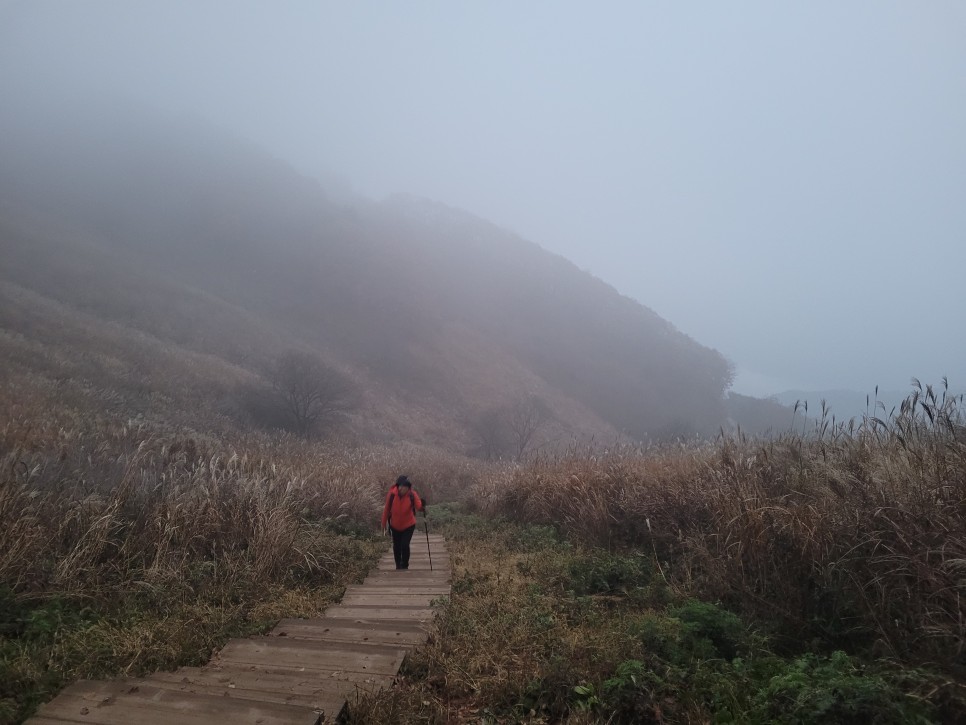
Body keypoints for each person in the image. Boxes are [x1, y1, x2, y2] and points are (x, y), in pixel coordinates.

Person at [380, 475, 426, 570]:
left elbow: (418, 507)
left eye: (403, 486)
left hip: (408, 525)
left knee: (404, 545)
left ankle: (404, 565)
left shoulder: (412, 494)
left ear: (408, 487)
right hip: (395, 525)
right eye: (399, 485)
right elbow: (387, 509)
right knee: (396, 546)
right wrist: (383, 524)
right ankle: (398, 565)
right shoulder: (392, 494)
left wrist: (422, 506)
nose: (401, 488)